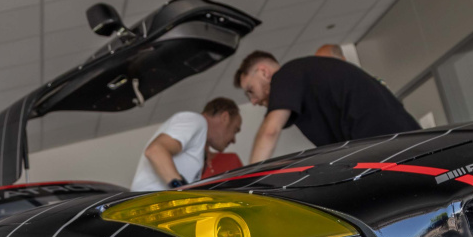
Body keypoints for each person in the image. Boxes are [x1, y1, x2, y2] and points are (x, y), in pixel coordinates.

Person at [235, 50, 420, 163]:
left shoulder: (285, 75)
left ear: (264, 72)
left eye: (250, 90)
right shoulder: (303, 79)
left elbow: (269, 131)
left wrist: (251, 182)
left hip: (388, 145)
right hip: (398, 142)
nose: (253, 101)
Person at [131, 97, 242, 191]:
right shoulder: (195, 120)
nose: (234, 140)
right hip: (150, 202)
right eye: (235, 130)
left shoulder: (199, 143)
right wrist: (183, 191)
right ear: (225, 118)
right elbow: (155, 150)